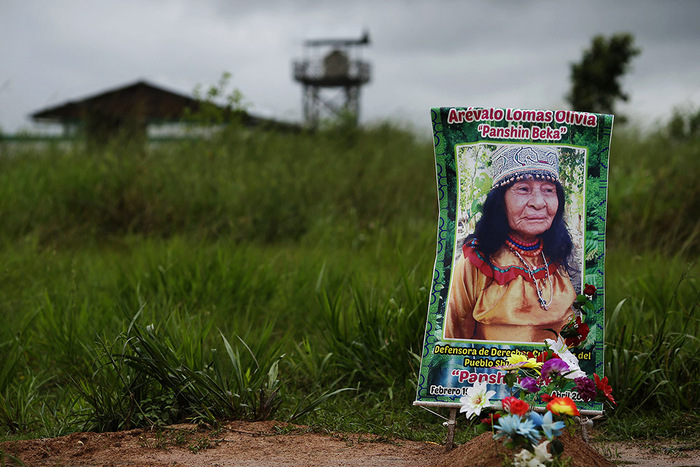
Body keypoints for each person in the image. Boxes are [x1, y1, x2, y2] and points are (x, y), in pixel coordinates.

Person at [444, 145, 577, 342]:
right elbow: (453, 342)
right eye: (523, 189)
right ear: (500, 201)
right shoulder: (476, 262)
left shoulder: (558, 254)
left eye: (549, 190)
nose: (539, 202)